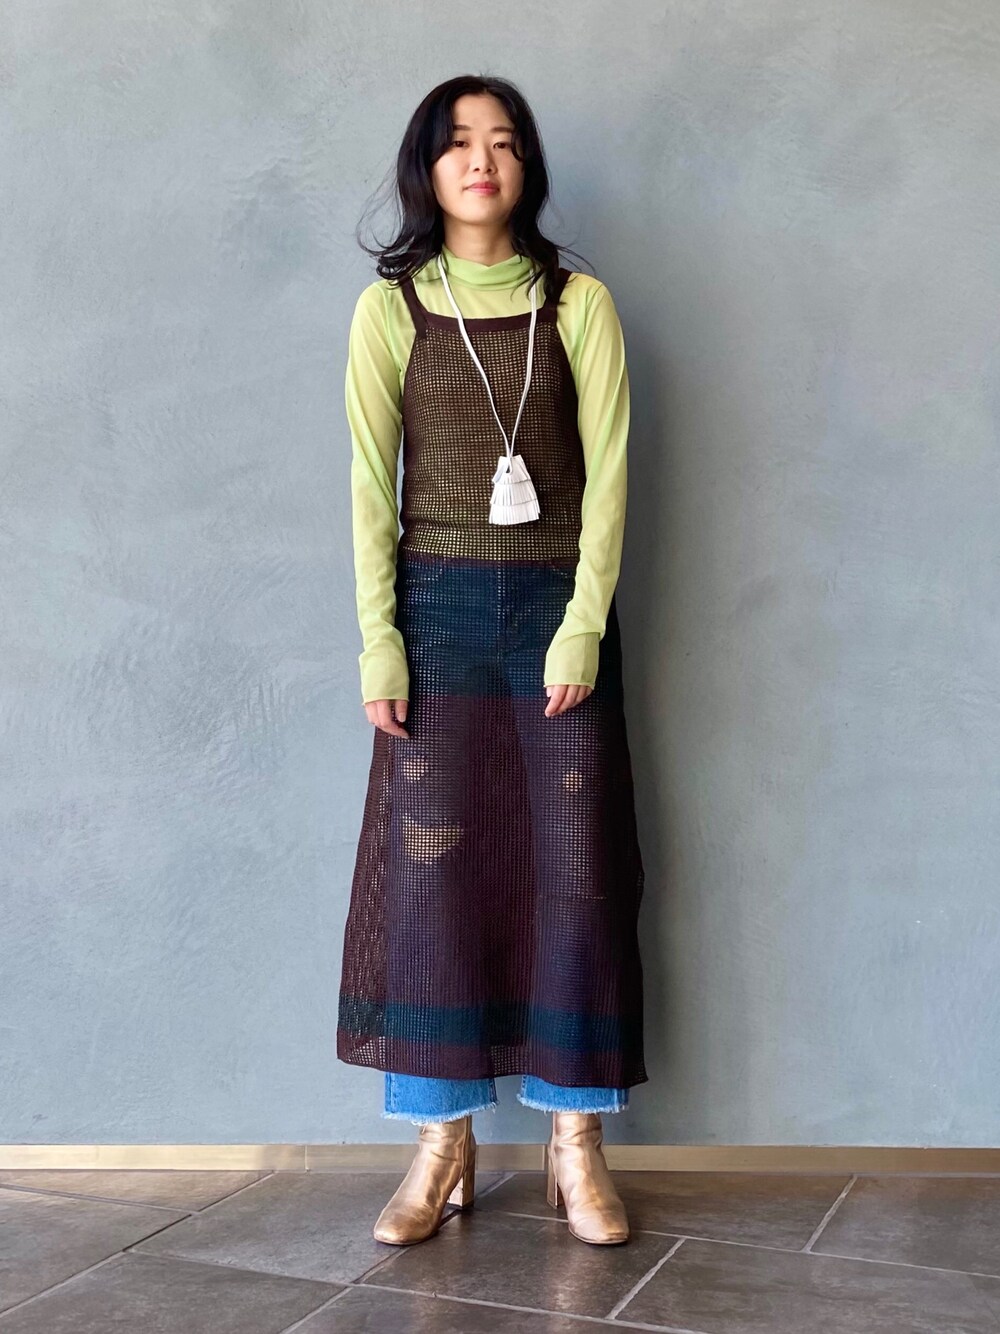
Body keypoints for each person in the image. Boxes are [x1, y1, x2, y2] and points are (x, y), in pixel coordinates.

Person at [337, 74, 647, 1248]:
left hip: (558, 608)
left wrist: (583, 622)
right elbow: (369, 488)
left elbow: (610, 477)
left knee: (577, 868)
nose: (482, 160)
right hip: (435, 612)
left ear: (526, 168)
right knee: (432, 875)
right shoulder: (390, 311)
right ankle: (441, 1141)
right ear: (427, 167)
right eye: (459, 143)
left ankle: (575, 1143)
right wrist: (381, 639)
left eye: (504, 142)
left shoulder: (580, 303)